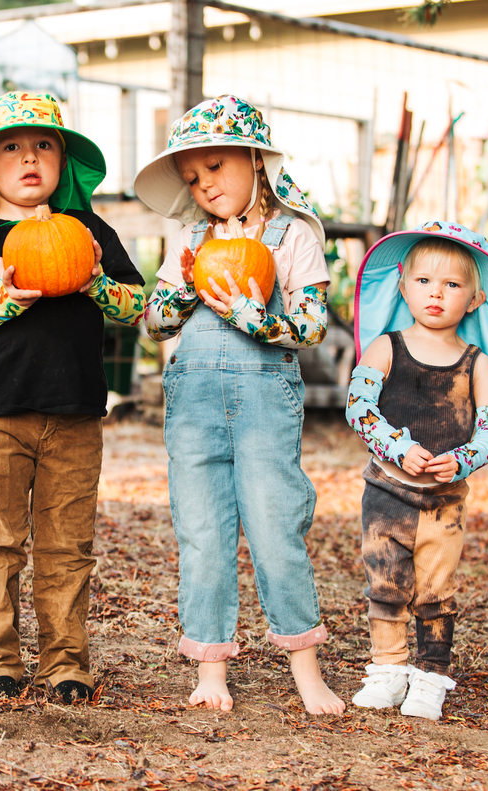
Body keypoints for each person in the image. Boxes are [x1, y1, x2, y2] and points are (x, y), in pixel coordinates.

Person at [134, 95, 344, 715]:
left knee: (277, 529)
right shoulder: (191, 239)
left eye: (216, 168)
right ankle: (210, 667)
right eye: (193, 178)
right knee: (202, 533)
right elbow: (155, 323)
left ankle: (305, 667)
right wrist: (183, 289)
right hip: (193, 402)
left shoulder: (292, 235)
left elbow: (309, 327)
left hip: (263, 400)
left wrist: (245, 311)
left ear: (255, 161)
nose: (204, 186)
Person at [0, 92, 146, 703]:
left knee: (66, 544)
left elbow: (137, 307)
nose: (29, 157)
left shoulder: (89, 231)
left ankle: (65, 662)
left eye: (43, 146)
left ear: (62, 160)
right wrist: (0, 304)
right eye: (11, 147)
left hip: (76, 412)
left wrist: (96, 285)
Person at [345, 220, 488, 721]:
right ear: (402, 287)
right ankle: (388, 669)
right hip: (388, 492)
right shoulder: (386, 348)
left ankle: (431, 677)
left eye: (452, 285)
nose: (436, 293)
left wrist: (462, 458)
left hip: (444, 502)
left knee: (436, 589)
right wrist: (396, 447)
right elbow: (359, 408)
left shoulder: (475, 364)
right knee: (386, 580)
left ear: (475, 300)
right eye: (423, 281)